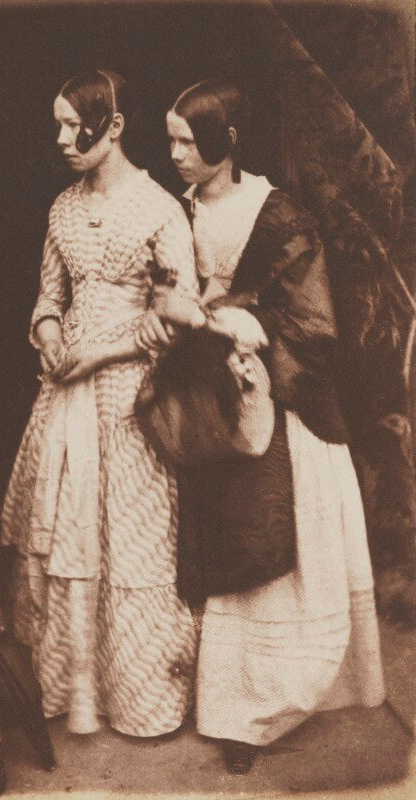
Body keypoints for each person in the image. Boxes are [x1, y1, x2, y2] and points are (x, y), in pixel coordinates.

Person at [135, 79, 385, 773]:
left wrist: (210, 319)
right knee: (221, 549)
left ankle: (267, 707)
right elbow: (166, 300)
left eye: (190, 141)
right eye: (171, 140)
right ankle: (225, 709)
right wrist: (161, 320)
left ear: (229, 140)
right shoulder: (176, 213)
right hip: (208, 410)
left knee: (274, 555)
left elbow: (313, 328)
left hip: (277, 406)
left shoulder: (278, 216)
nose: (176, 154)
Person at [1, 69, 201, 737]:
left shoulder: (160, 210)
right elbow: (48, 297)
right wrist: (52, 336)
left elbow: (176, 317)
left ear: (113, 127)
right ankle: (71, 689)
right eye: (56, 125)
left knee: (129, 545)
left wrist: (103, 353)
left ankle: (141, 701)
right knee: (67, 531)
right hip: (65, 397)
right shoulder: (62, 208)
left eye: (72, 125)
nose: (61, 139)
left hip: (131, 399)